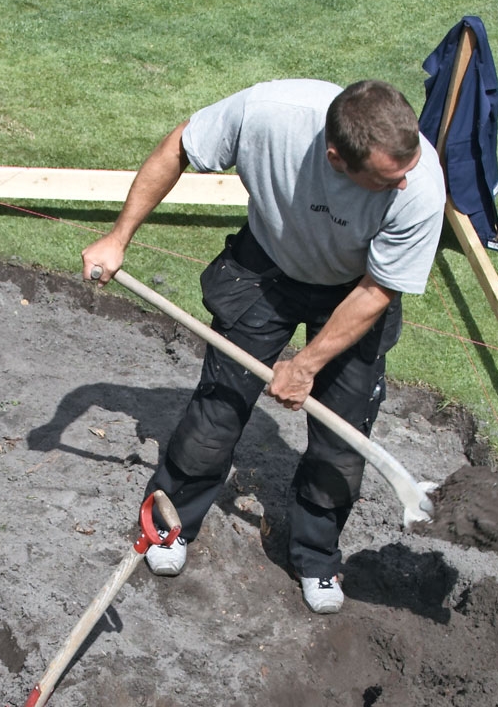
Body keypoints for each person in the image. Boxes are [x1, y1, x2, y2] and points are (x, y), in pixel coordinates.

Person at [81, 79, 446, 614]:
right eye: (389, 177)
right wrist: (118, 237)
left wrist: (305, 364)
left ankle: (317, 558)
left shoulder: (421, 186)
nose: (406, 181)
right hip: (267, 265)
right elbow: (177, 148)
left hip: (354, 287)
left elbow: (376, 292)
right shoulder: (267, 115)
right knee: (217, 412)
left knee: (342, 440)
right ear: (336, 158)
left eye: (408, 168)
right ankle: (170, 522)